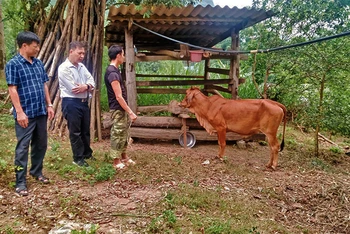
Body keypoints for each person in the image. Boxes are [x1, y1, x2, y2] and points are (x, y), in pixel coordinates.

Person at [5, 31, 55, 196]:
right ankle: (20, 180)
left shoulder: (38, 63)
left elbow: (44, 84)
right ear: (24, 46)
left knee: (41, 144)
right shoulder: (13, 64)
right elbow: (12, 89)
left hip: (40, 111)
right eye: (35, 46)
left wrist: (49, 104)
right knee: (22, 148)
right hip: (25, 113)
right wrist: (19, 112)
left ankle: (36, 171)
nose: (38, 49)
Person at [58, 41, 95, 167]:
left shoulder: (81, 67)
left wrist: (86, 86)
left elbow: (92, 82)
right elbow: (73, 88)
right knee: (75, 131)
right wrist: (87, 87)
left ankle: (86, 153)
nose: (82, 56)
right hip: (71, 102)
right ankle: (77, 158)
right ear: (71, 51)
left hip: (84, 103)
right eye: (80, 53)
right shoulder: (64, 68)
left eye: (83, 53)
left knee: (85, 130)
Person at [104, 45, 137, 169]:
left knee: (124, 133)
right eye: (122, 54)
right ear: (118, 56)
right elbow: (118, 96)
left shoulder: (116, 70)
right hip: (117, 108)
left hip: (121, 108)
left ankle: (124, 157)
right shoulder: (112, 73)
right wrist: (130, 112)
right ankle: (116, 161)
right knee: (117, 133)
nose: (124, 57)